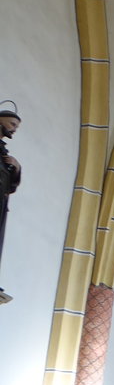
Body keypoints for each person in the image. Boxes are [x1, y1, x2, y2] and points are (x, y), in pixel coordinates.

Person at [0, 106, 22, 305]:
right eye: (12, 124)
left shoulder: (5, 154)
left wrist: (16, 167)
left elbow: (10, 185)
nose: (14, 129)